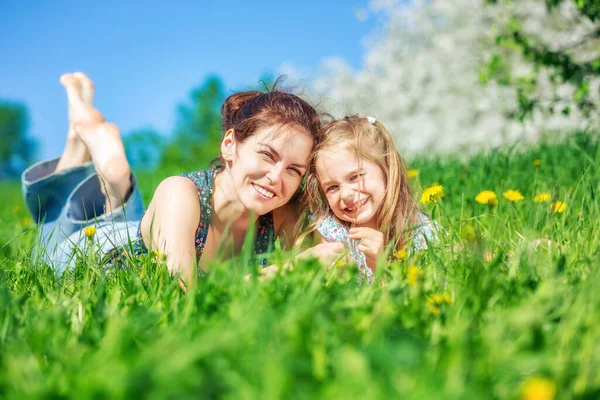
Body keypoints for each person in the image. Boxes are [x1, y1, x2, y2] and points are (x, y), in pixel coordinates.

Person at [22, 72, 322, 286]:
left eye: (294, 170)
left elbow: (323, 281)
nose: (275, 177)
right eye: (267, 155)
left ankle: (100, 159)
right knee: (47, 236)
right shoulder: (181, 191)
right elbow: (183, 291)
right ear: (229, 144)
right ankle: (82, 149)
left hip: (149, 228)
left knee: (129, 214)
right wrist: (296, 265)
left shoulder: (283, 217)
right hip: (90, 252)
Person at [296, 115, 437, 284]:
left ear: (387, 168)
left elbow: (421, 294)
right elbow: (332, 292)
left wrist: (380, 266)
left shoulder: (419, 231)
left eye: (355, 177)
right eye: (332, 187)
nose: (346, 194)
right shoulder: (333, 232)